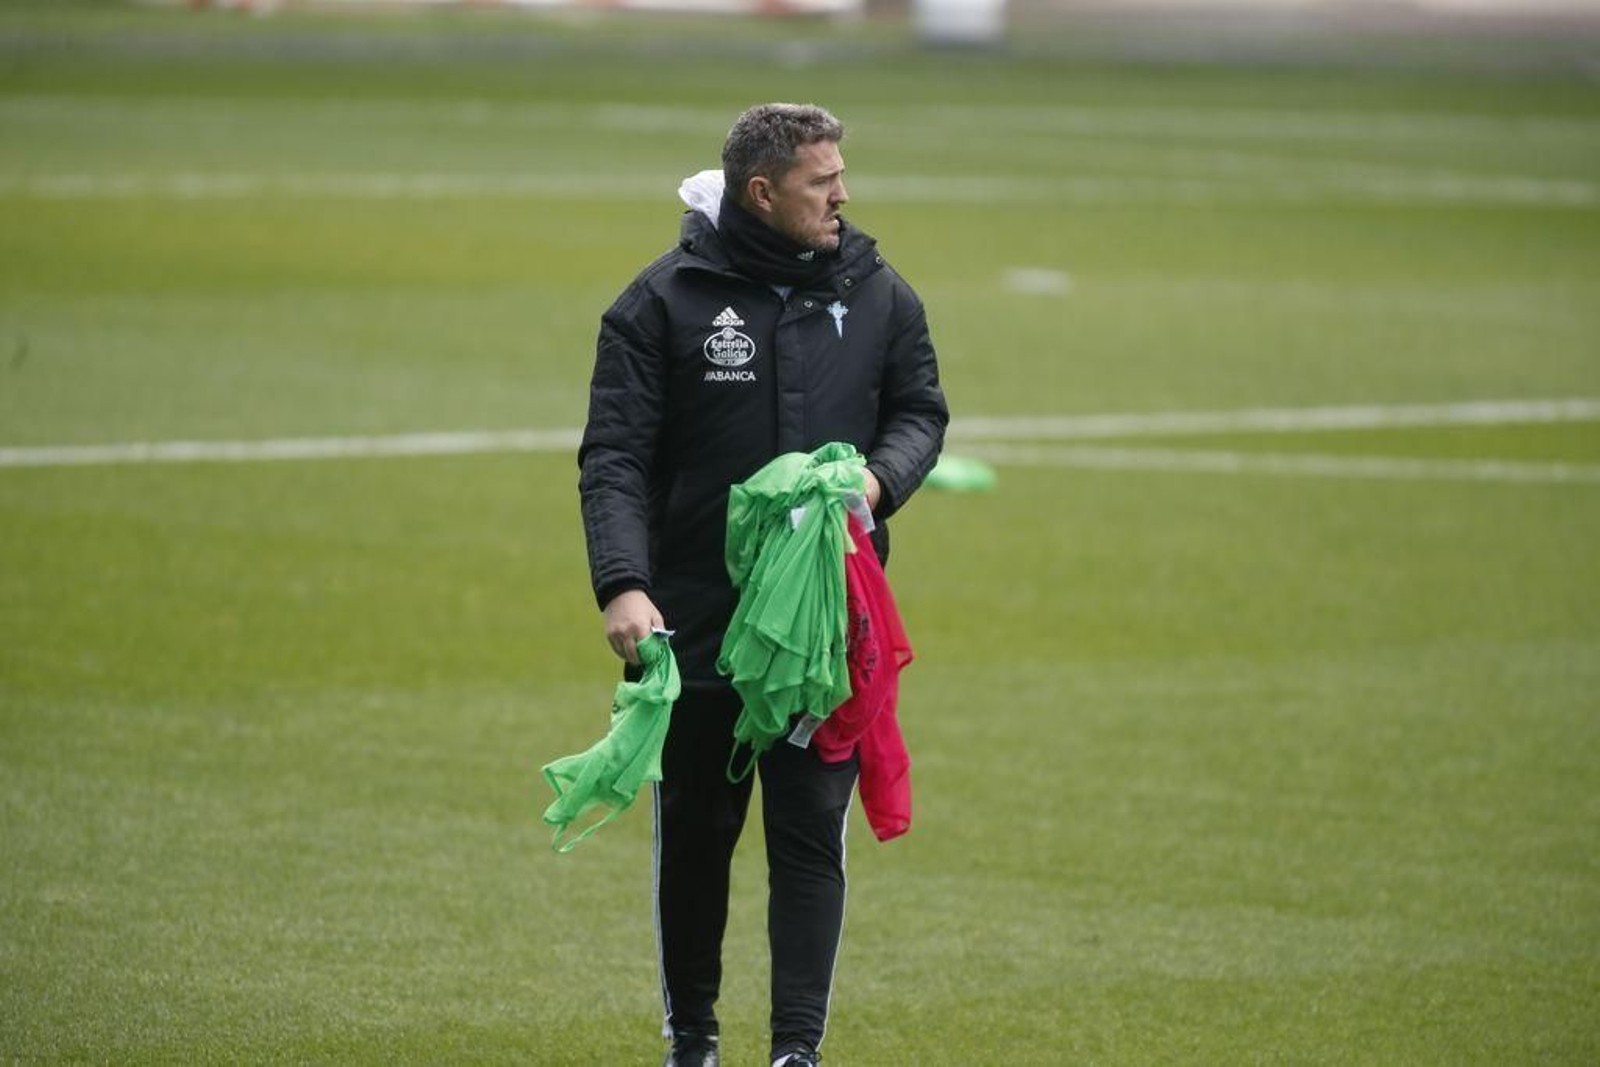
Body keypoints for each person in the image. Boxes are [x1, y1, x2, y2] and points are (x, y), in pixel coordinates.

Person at [577, 102, 948, 1067]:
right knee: (697, 838)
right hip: (696, 621)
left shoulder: (878, 293)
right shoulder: (662, 303)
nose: (843, 195)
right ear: (762, 191)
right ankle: (694, 1041)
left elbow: (920, 410)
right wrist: (623, 583)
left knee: (810, 835)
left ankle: (796, 1052)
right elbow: (615, 456)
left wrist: (879, 479)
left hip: (826, 631)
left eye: (841, 175)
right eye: (822, 181)